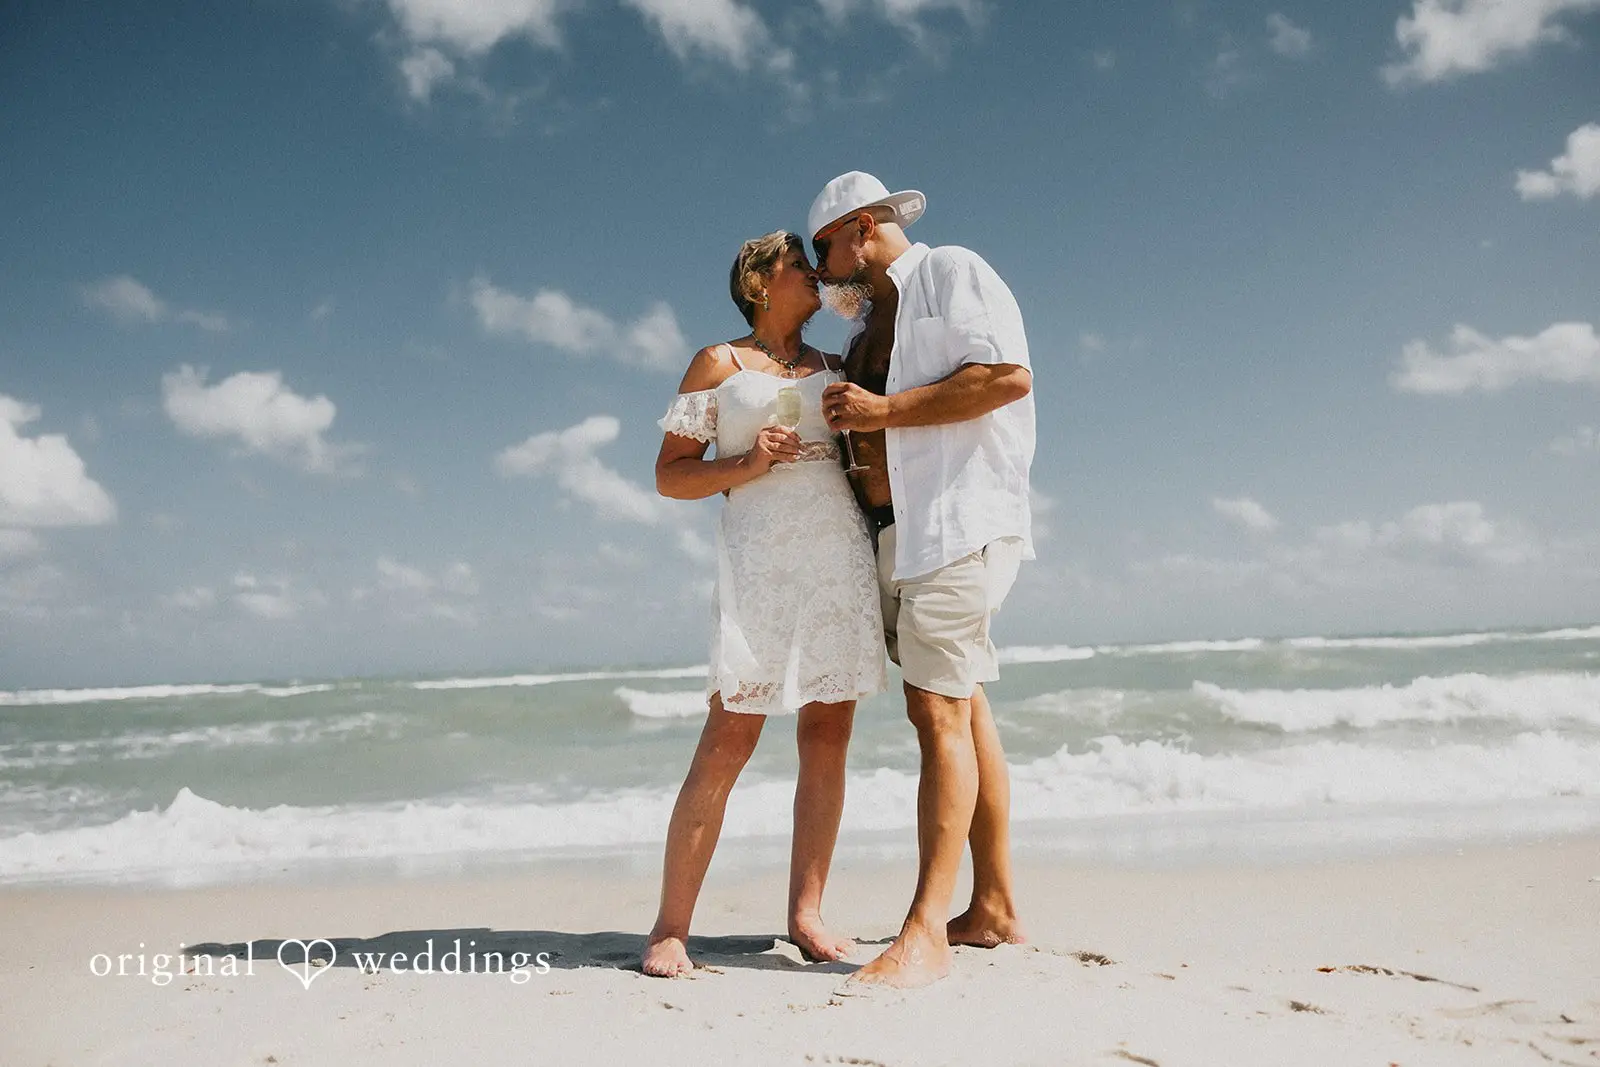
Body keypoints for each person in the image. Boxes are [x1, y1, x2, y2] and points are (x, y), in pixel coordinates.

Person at [641, 231, 888, 978]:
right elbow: (670, 475)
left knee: (829, 732)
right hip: (759, 559)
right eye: (797, 265)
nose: (813, 274)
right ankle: (671, 927)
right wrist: (748, 463)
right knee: (729, 734)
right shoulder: (718, 363)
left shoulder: (836, 365)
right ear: (757, 281)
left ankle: (807, 914)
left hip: (836, 550)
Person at [810, 172, 1036, 989]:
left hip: (955, 521)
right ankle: (994, 905)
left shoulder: (950, 272)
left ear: (861, 228)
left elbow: (1005, 377)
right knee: (959, 702)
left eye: (824, 249)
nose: (821, 270)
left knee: (936, 709)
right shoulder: (866, 324)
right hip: (894, 533)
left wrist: (882, 411)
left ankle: (925, 932)